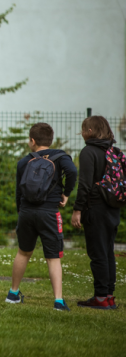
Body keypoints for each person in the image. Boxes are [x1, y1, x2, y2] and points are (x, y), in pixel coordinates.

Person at [6, 123, 77, 311]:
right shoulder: (61, 157)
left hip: (27, 212)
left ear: (32, 141)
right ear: (51, 140)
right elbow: (72, 172)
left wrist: (20, 212)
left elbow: (18, 192)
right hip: (49, 213)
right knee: (53, 257)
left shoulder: (24, 162)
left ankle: (13, 294)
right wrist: (66, 193)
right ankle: (58, 301)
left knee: (23, 252)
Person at [71, 116, 121, 310]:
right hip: (113, 208)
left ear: (90, 131)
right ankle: (108, 295)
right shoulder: (114, 151)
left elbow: (84, 185)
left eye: (84, 129)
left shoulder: (88, 152)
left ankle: (100, 297)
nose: (82, 133)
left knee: (97, 254)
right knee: (108, 252)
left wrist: (78, 210)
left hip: (96, 209)